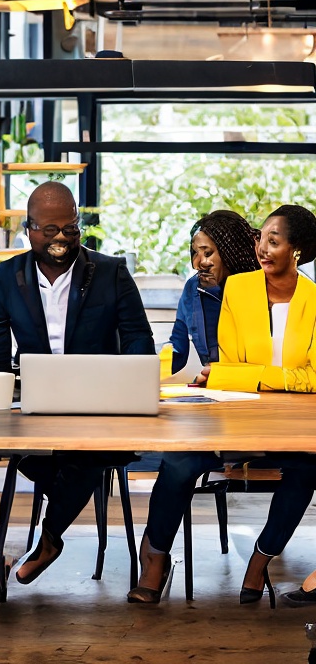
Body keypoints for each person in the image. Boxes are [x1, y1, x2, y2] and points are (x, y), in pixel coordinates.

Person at [0, 181, 154, 584]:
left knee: (89, 451)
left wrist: (133, 388)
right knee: (45, 457)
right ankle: (52, 529)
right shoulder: (7, 277)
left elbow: (138, 338)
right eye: (50, 230)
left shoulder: (110, 272)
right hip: (37, 408)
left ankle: (49, 537)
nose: (62, 239)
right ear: (28, 229)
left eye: (71, 228)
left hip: (102, 408)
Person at [128, 209, 260, 603]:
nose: (200, 261)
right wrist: (158, 370)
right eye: (194, 252)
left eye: (208, 252)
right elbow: (179, 349)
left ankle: (265, 555)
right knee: (178, 462)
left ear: (231, 253)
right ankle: (155, 559)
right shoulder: (191, 290)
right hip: (208, 410)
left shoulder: (259, 290)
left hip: (256, 409)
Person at [204, 204, 316, 607]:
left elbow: (315, 378)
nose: (262, 249)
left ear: (297, 250)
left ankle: (260, 558)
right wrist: (286, 378)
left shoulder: (315, 300)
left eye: (274, 241)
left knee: (306, 468)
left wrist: (250, 374)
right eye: (260, 239)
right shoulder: (238, 289)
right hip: (241, 417)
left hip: (299, 424)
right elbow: (229, 365)